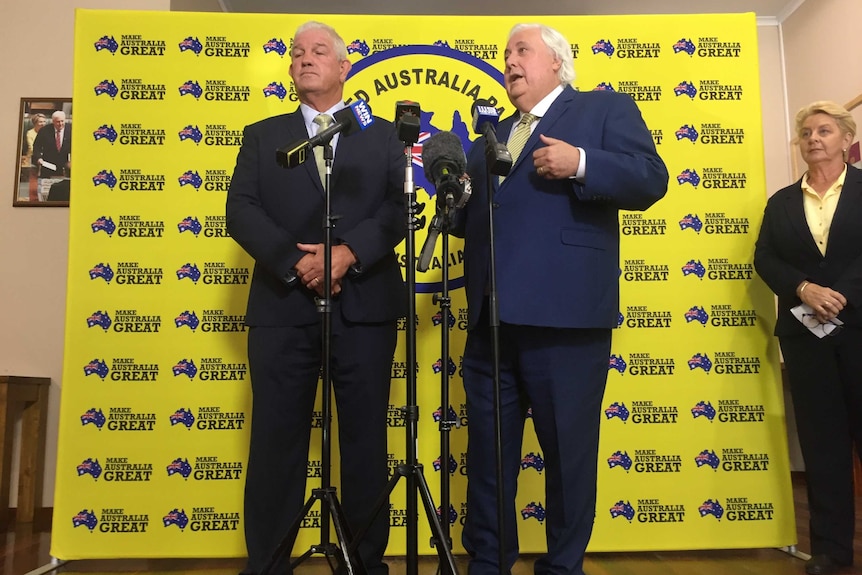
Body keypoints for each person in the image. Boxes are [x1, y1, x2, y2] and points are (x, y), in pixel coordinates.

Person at [450, 23, 668, 575]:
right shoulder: (490, 136)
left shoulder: (602, 110)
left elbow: (651, 179)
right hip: (490, 320)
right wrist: (452, 198)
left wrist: (582, 164)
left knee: (568, 457)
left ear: (556, 62)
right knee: (487, 456)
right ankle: (489, 561)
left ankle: (562, 567)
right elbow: (476, 221)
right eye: (504, 55)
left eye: (521, 51)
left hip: (566, 317)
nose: (509, 62)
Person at [226, 21, 406, 575]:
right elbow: (242, 211)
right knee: (275, 447)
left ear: (345, 66)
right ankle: (269, 564)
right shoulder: (263, 134)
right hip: (283, 313)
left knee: (365, 445)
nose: (306, 59)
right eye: (297, 53)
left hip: (366, 309)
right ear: (289, 70)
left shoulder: (382, 138)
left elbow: (398, 212)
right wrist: (298, 262)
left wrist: (348, 253)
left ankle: (364, 564)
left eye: (319, 51)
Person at [754, 100, 862, 575]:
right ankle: (830, 550)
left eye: (824, 131)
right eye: (806, 133)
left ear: (845, 138)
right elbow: (766, 258)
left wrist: (840, 294)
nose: (814, 139)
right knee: (823, 444)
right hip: (806, 335)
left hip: (859, 328)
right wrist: (803, 288)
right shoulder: (780, 201)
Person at [31, 110, 71, 178]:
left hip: (66, 166)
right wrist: (38, 158)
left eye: (62, 121)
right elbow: (36, 146)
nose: (60, 123)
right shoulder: (44, 130)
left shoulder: (72, 129)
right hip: (48, 165)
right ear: (53, 121)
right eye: (58, 122)